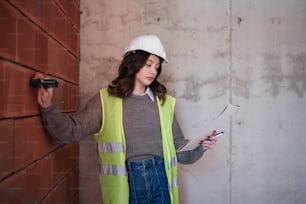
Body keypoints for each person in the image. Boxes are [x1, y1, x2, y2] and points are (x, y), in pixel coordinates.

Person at [34, 34, 218, 204]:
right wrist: (48, 107)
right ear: (134, 62)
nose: (153, 71)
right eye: (148, 64)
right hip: (129, 182)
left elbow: (178, 148)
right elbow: (72, 131)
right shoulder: (105, 101)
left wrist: (200, 144)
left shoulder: (164, 103)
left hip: (161, 178)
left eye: (157, 66)